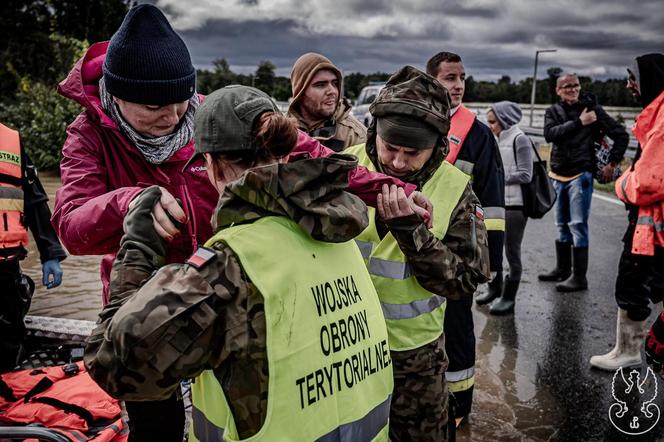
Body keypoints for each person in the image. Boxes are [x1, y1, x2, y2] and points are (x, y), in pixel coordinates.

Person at [52, 5, 424, 439]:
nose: (173, 118)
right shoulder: (88, 135)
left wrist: (387, 190)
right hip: (150, 302)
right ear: (116, 96)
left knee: (238, 404)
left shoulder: (214, 116)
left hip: (227, 283)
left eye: (181, 102)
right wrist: (127, 203)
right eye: (154, 106)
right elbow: (71, 226)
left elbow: (310, 155)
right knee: (154, 416)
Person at [84, 85, 395, 441]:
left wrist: (138, 246)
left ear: (211, 165)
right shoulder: (338, 232)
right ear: (282, 155)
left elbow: (112, 364)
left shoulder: (229, 266)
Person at [345, 66, 490, 441]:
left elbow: (466, 281)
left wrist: (413, 235)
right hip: (344, 356)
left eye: (413, 153)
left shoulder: (454, 189)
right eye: (390, 147)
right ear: (375, 132)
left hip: (414, 362)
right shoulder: (343, 168)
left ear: (438, 146)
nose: (397, 162)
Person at [425, 51, 504, 423]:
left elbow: (494, 204)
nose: (458, 86)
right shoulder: (416, 125)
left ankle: (458, 407)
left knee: (457, 330)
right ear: (431, 82)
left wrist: (491, 260)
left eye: (461, 78)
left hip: (458, 252)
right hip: (417, 249)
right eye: (449, 78)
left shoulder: (479, 133)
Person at [594, 53, 664, 372]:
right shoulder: (656, 112)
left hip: (650, 226)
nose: (628, 85)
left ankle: (628, 351)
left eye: (632, 77)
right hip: (654, 226)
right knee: (656, 284)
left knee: (632, 283)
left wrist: (622, 182)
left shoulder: (661, 117)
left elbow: (648, 182)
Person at [539, 73, 629, 292]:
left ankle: (579, 278)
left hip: (582, 175)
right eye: (567, 86)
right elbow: (550, 134)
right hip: (558, 175)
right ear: (558, 91)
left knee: (578, 225)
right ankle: (562, 269)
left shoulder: (593, 111)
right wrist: (579, 123)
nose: (572, 89)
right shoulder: (553, 111)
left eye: (576, 85)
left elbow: (621, 135)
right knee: (561, 225)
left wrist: (612, 163)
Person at [0, 122, 66, 372]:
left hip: (6, 265)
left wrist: (51, 254)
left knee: (9, 336)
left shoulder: (10, 141)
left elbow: (34, 198)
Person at [484, 102, 533, 315]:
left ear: (505, 119)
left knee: (512, 252)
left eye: (493, 121)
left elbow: (526, 174)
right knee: (491, 249)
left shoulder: (520, 139)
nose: (490, 125)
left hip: (515, 206)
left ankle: (509, 298)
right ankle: (494, 289)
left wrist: (497, 178)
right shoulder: (496, 138)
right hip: (498, 204)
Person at [287, 52, 367, 151]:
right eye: (320, 85)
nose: (332, 91)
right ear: (300, 92)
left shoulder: (357, 137)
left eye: (335, 83)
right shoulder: (281, 131)